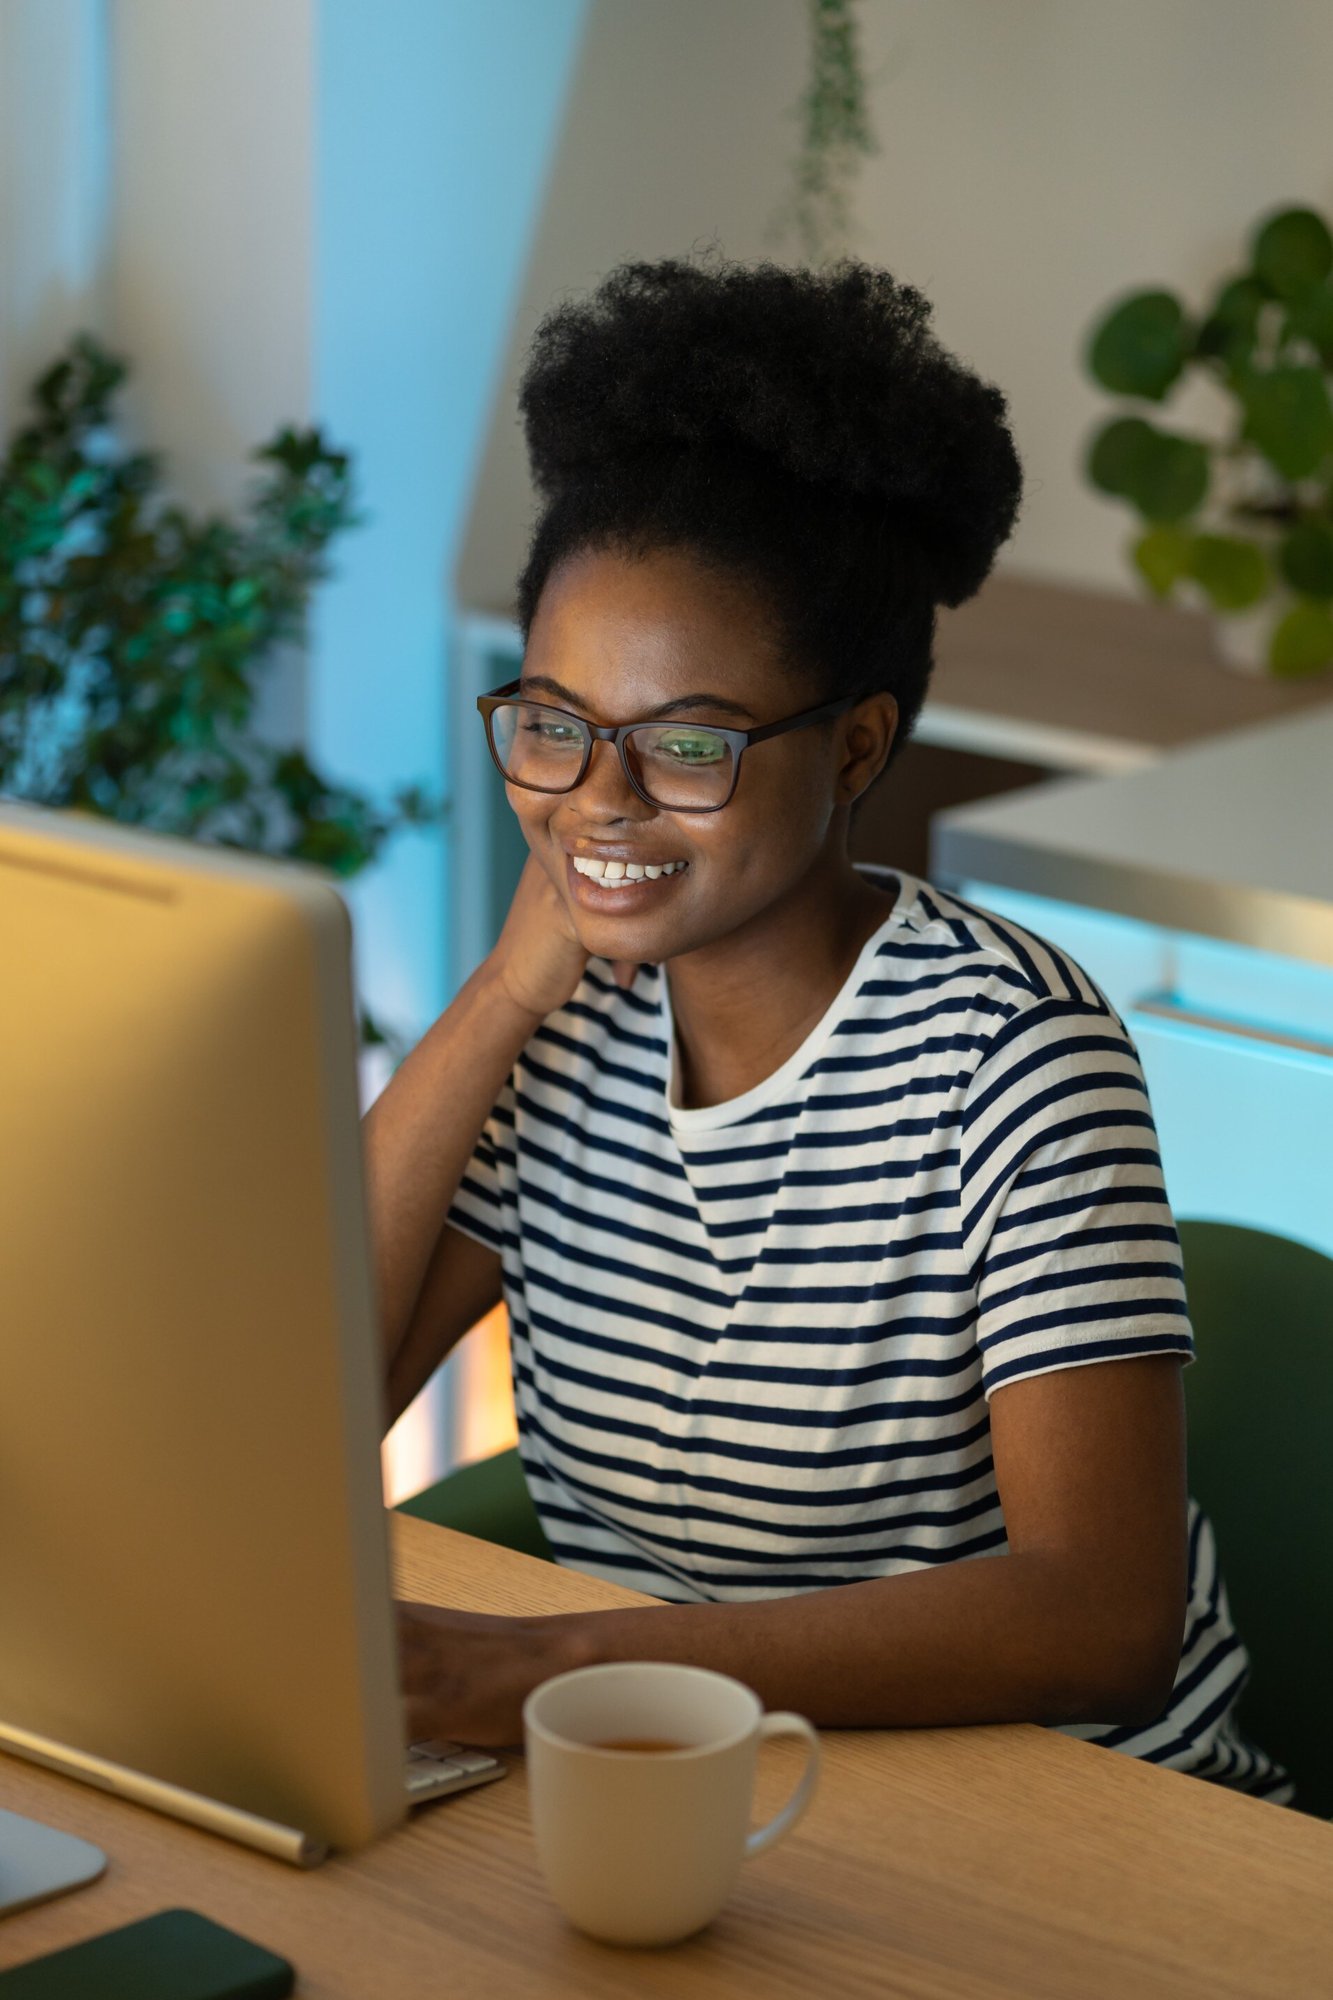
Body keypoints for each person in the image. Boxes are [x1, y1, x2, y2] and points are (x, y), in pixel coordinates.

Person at [366, 253, 1289, 1801]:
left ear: (856, 744)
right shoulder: (558, 1030)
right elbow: (300, 1399)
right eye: (552, 724)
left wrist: (541, 1671)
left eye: (684, 743)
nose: (596, 800)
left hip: (1060, 1820)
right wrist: (499, 1000)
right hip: (697, 1783)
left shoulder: (1013, 1059)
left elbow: (1099, 1618)